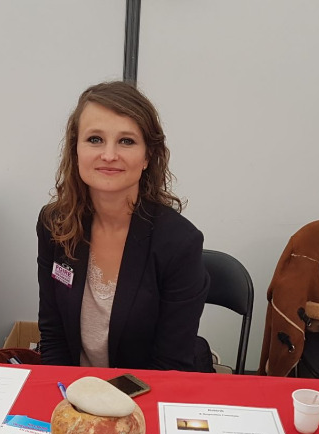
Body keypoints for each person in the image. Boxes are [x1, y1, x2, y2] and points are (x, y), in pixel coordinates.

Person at [37, 80, 213, 372]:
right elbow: (53, 334)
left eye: (126, 141)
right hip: (76, 393)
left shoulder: (180, 242)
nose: (108, 155)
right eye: (95, 139)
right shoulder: (53, 224)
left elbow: (169, 365)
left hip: (146, 395)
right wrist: (69, 398)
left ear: (147, 157)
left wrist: (106, 409)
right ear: (76, 150)